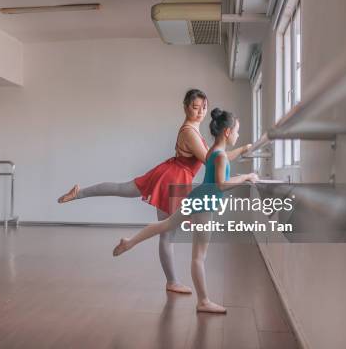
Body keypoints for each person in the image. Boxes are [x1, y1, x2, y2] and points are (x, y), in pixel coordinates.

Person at [58, 89, 251, 294]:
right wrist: (242, 151)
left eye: (203, 108)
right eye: (195, 108)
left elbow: (216, 155)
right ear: (185, 107)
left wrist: (242, 150)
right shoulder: (189, 131)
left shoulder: (194, 130)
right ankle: (171, 281)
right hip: (172, 178)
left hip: (168, 172)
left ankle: (79, 193)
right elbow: (210, 160)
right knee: (167, 234)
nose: (200, 112)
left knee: (123, 189)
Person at [112, 108, 259, 313]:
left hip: (196, 198)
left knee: (166, 225)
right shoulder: (220, 157)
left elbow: (222, 163)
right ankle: (204, 301)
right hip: (203, 206)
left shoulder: (213, 151)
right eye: (237, 131)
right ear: (226, 132)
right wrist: (246, 177)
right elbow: (222, 184)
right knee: (199, 257)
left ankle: (130, 241)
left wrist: (243, 150)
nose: (238, 135)